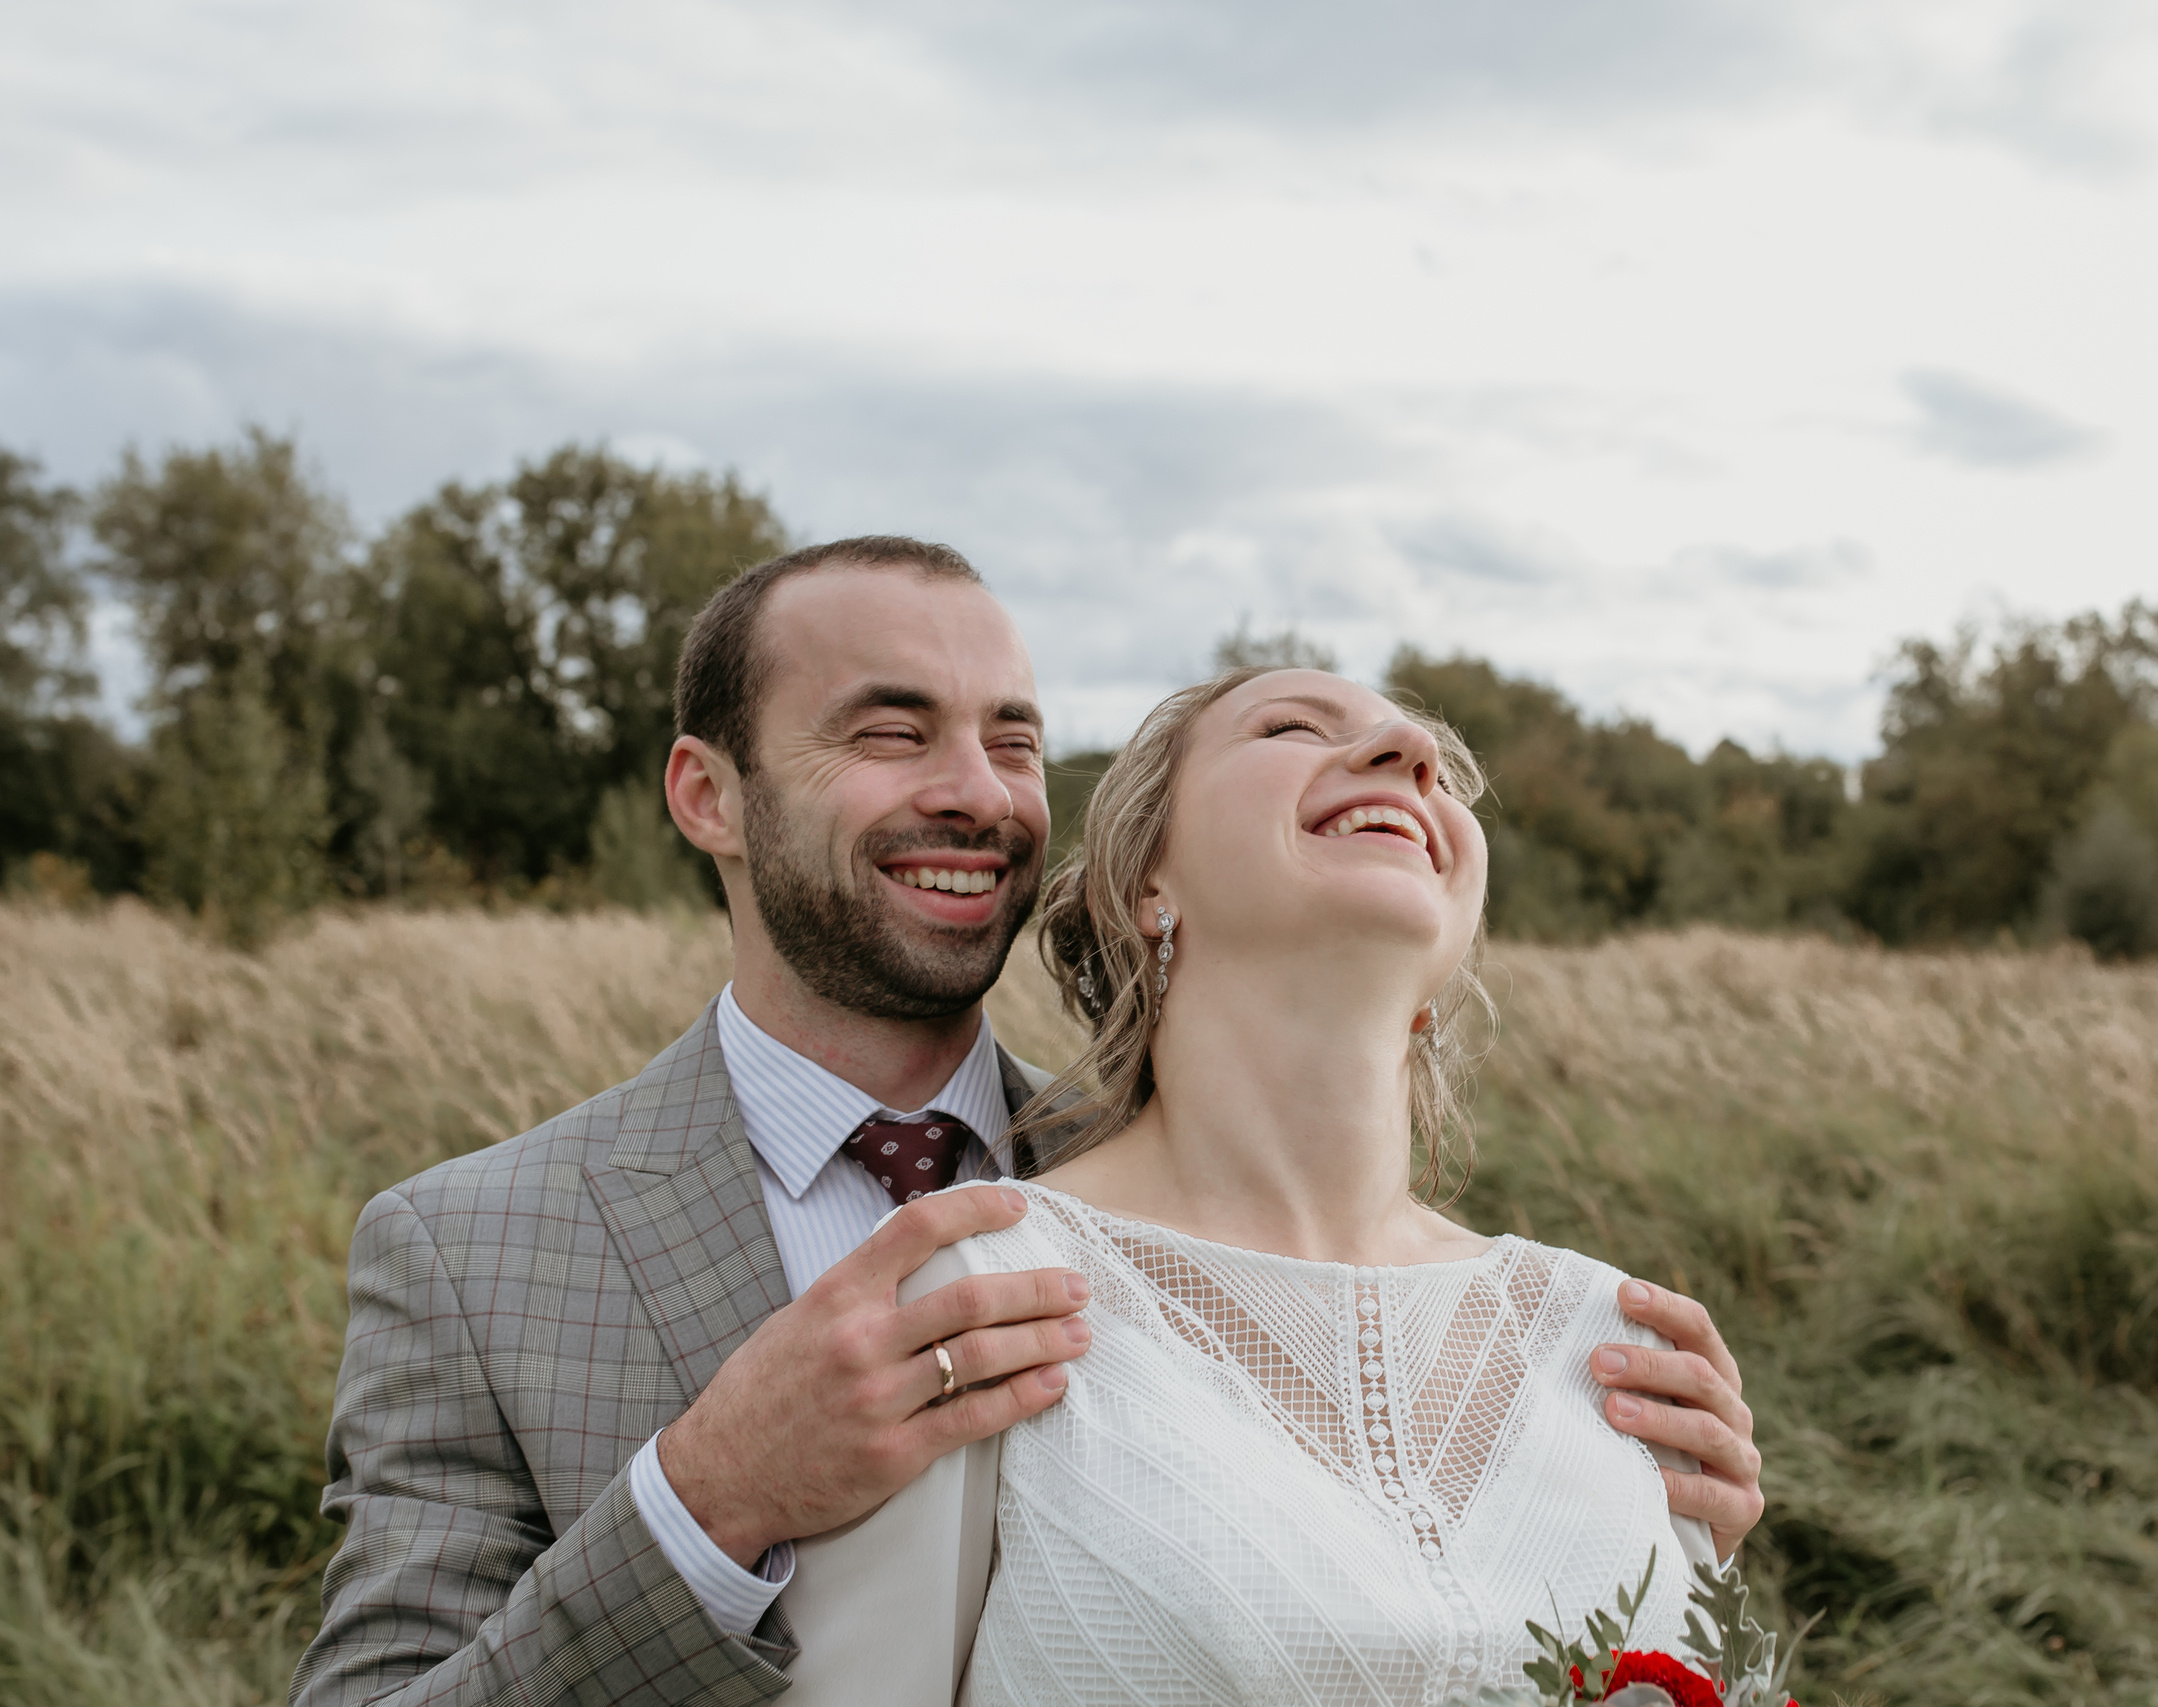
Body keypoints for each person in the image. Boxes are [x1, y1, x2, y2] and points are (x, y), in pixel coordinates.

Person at [293, 538, 1761, 1707]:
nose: (977, 793)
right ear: (707, 794)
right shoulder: (465, 1249)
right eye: (892, 729)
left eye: (1014, 738)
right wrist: (707, 1497)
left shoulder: (1199, 1192)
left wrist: (1627, 1517)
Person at [787, 665, 1765, 1706]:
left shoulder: (1612, 1341)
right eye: (1292, 727)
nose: (1411, 759)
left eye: (1432, 764)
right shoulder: (983, 1292)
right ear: (1144, 884)